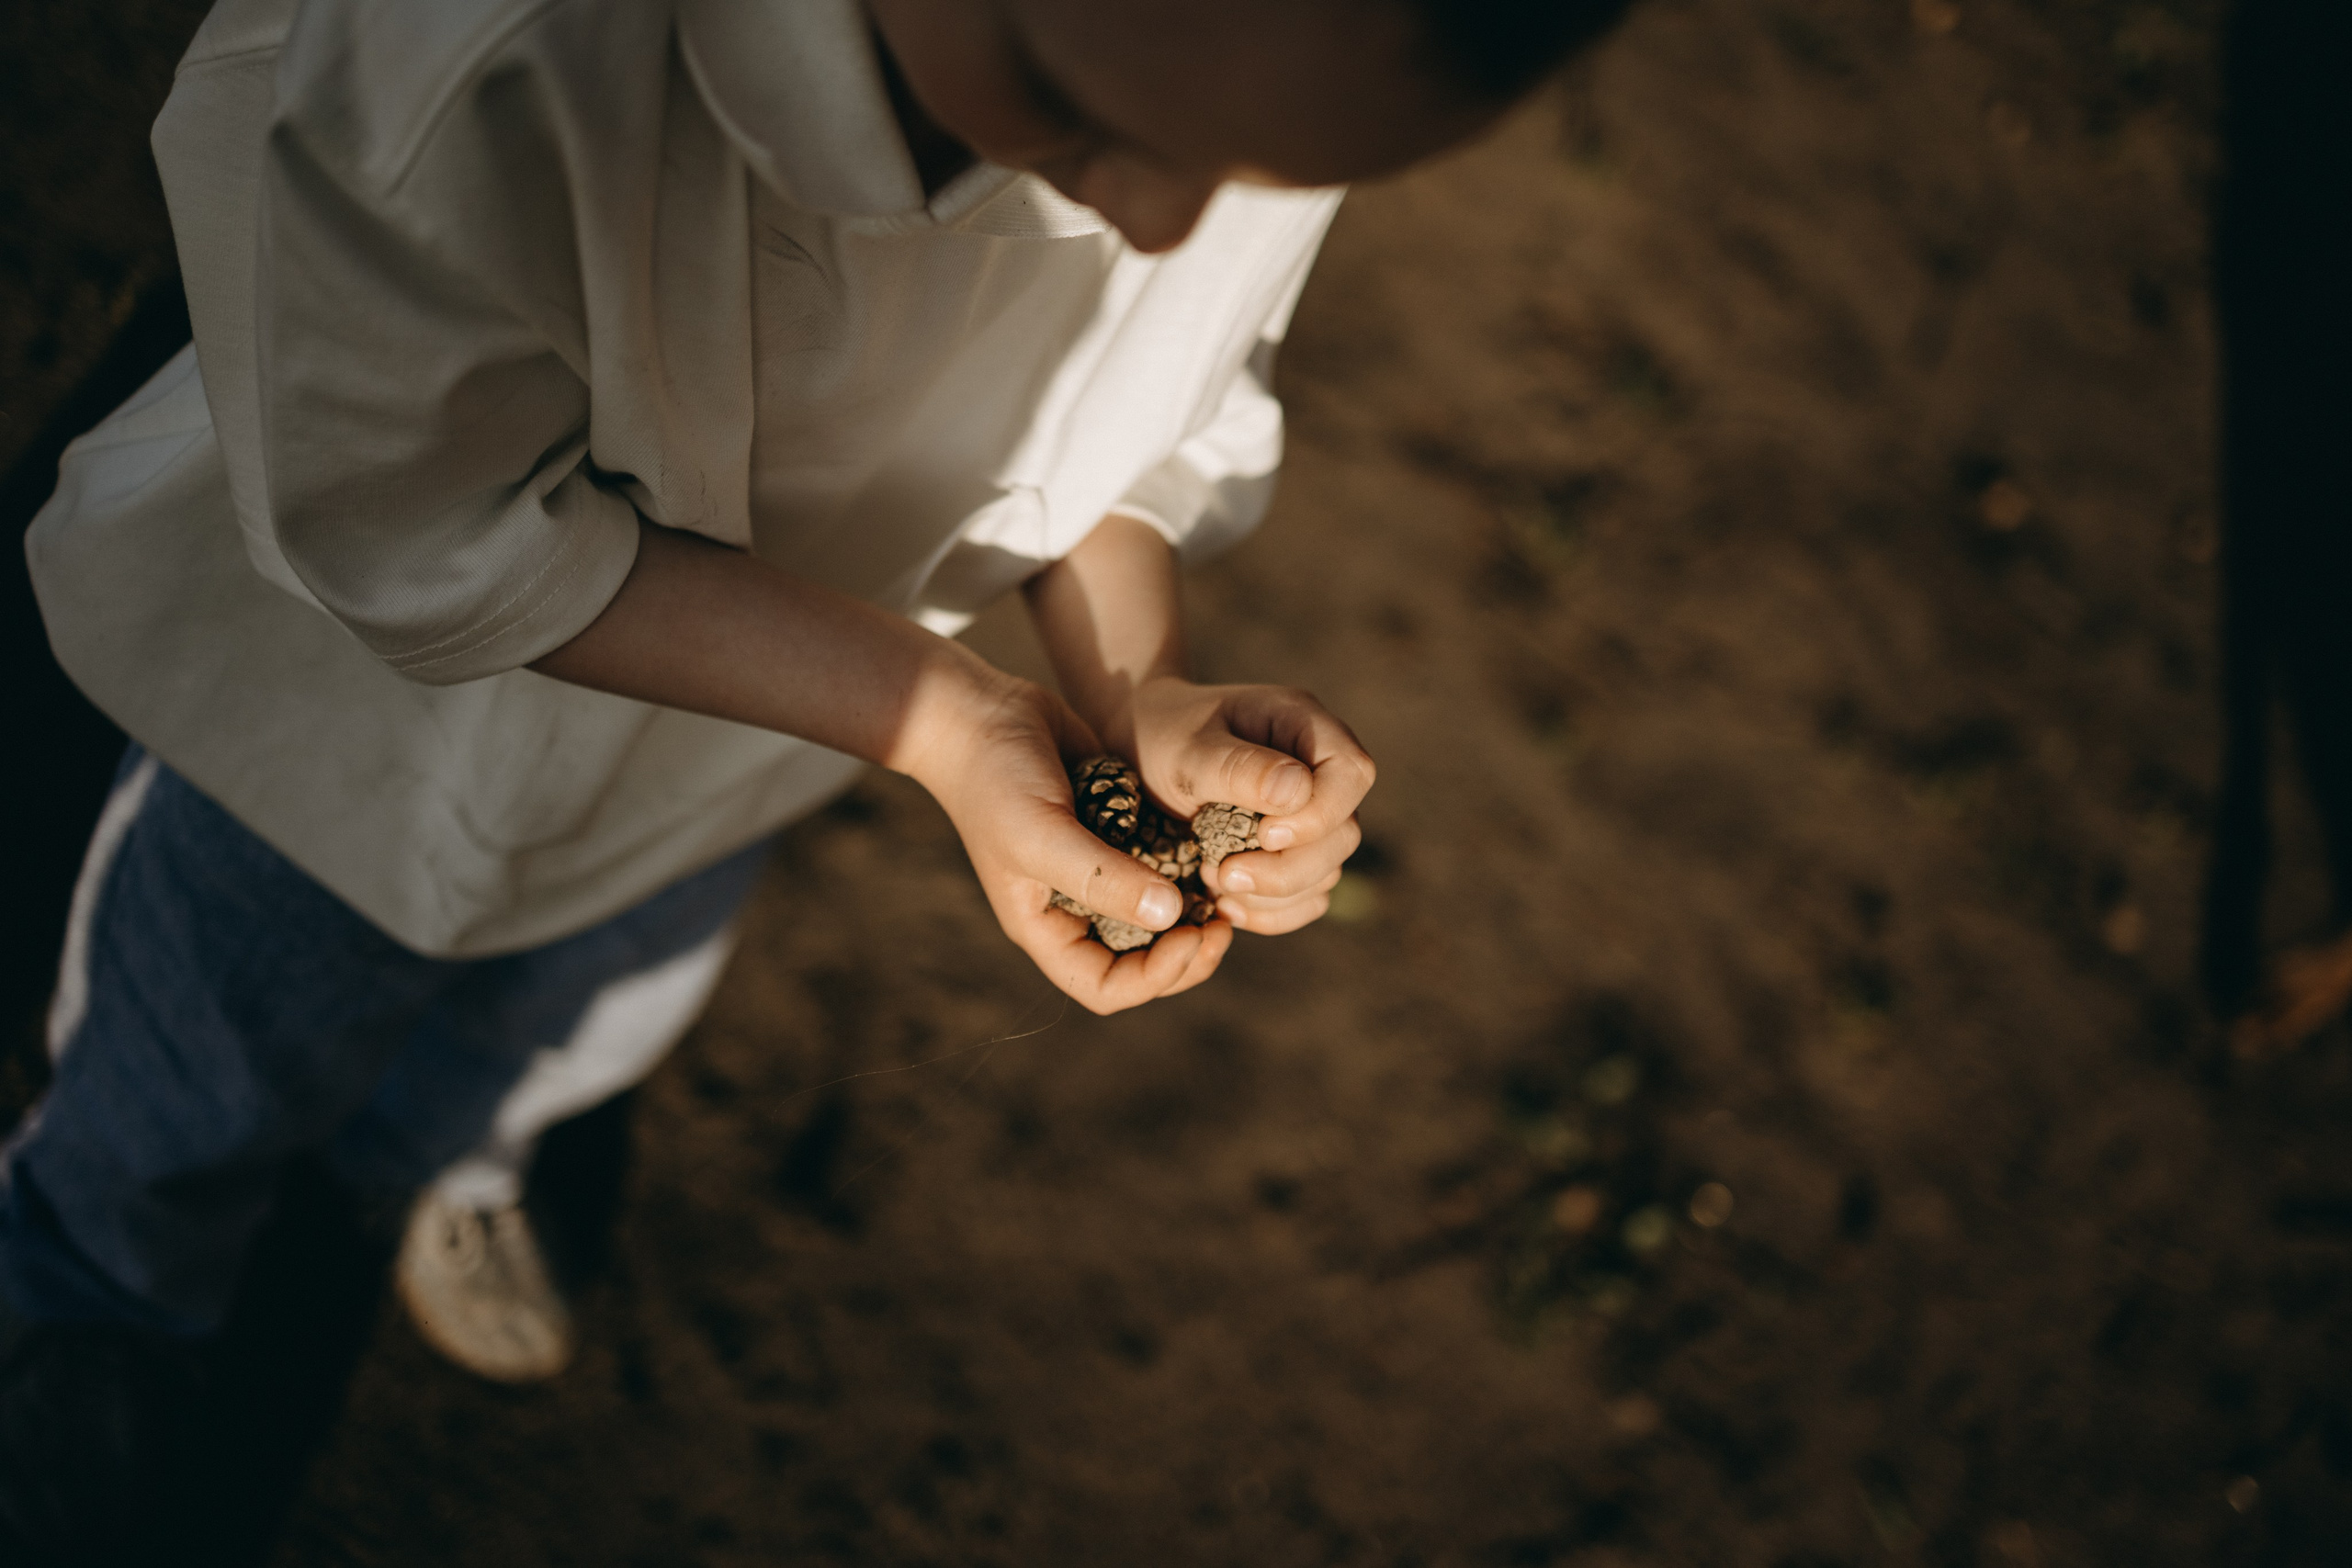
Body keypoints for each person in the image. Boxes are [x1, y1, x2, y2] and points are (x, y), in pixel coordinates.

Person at [1, 0, 1633, 1558]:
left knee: (578, 1001)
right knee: (201, 1063)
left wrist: (1140, 693)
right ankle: (93, 1298)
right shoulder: (498, 55)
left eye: (1243, 173)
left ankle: (438, 1157)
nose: (1156, 218)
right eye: (1089, 111)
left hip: (744, 753)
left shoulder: (1233, 65)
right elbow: (422, 533)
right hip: (335, 758)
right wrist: (937, 720)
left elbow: (1126, 436)